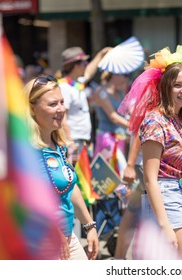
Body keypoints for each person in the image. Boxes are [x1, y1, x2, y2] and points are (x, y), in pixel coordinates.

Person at [118, 46, 182, 259]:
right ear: (165, 88)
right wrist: (164, 224)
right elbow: (150, 179)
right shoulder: (155, 121)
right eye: (177, 85)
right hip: (168, 197)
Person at [23, 74, 99, 260]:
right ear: (32, 109)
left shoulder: (61, 145)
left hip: (68, 237)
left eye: (62, 102)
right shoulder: (25, 149)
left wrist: (90, 226)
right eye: (52, 104)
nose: (61, 109)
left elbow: (70, 188)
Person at [58, 46, 111, 163]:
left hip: (83, 139)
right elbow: (62, 117)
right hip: (74, 140)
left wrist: (101, 54)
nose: (86, 65)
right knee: (76, 177)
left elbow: (89, 72)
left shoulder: (76, 83)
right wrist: (70, 142)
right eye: (84, 62)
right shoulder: (64, 87)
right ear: (76, 65)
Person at [93, 71, 130, 173]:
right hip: (107, 137)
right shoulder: (101, 92)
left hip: (119, 137)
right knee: (107, 171)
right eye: (125, 74)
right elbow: (113, 116)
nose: (126, 78)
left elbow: (127, 112)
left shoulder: (120, 92)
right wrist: (133, 126)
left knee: (115, 173)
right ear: (115, 74)